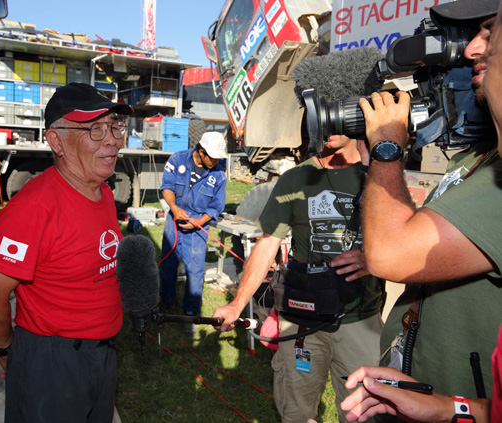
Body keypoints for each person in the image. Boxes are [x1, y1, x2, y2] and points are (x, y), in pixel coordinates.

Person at [335, 0, 502, 421]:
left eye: (489, 30)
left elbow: (390, 252)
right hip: (439, 400)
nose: (471, 51)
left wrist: (387, 146)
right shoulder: (477, 160)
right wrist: (451, 408)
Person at [212, 51, 387, 420]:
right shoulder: (294, 179)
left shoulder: (381, 173)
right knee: (294, 410)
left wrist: (374, 257)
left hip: (362, 323)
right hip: (303, 322)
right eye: (324, 109)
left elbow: (405, 238)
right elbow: (267, 244)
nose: (333, 119)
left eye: (342, 108)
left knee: (366, 414)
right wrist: (236, 303)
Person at [0, 82, 133, 423]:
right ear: (56, 141)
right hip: (52, 363)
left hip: (101, 356)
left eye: (115, 127)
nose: (112, 140)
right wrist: (7, 352)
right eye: (94, 129)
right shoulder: (33, 208)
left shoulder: (102, 192)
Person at [159, 131, 228, 333]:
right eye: (213, 157)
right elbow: (167, 187)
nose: (216, 161)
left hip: (199, 225)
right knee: (168, 264)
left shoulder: (219, 173)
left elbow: (216, 206)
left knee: (195, 269)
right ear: (201, 152)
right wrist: (173, 207)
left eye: (218, 158)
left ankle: (191, 313)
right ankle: (166, 302)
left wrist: (200, 221)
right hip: (174, 220)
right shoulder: (177, 159)